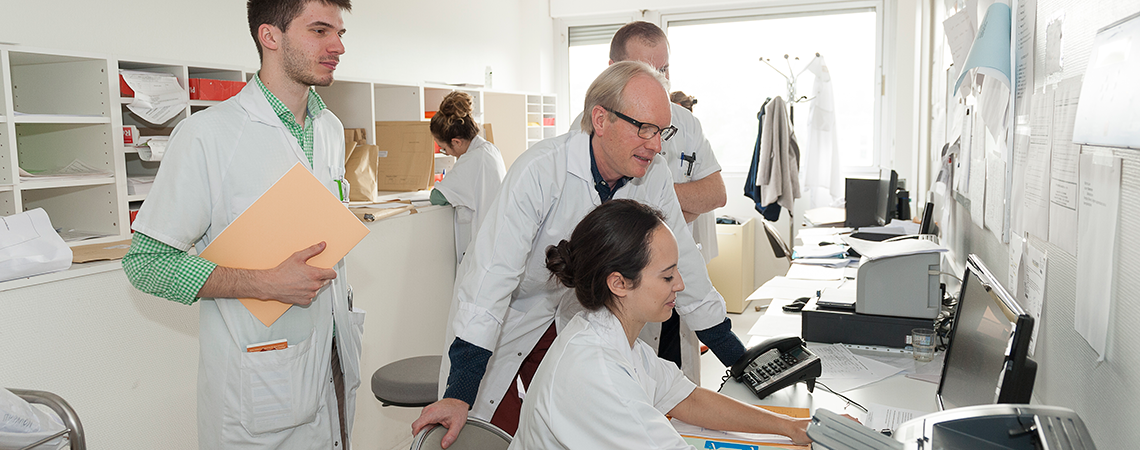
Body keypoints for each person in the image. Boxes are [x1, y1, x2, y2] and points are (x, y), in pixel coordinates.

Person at [412, 60, 746, 447]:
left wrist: (737, 359)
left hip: (576, 325)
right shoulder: (540, 171)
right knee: (492, 431)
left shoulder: (651, 176)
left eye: (661, 131)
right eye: (644, 129)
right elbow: (490, 280)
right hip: (508, 324)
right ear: (600, 120)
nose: (656, 145)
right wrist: (460, 389)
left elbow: (682, 261)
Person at [121, 0, 362, 448]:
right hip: (259, 382)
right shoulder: (206, 136)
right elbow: (146, 263)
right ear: (270, 37)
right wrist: (265, 283)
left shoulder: (329, 127)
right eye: (320, 31)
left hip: (331, 361)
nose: (337, 46)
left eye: (340, 33)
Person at [510, 199, 811, 448]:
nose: (679, 284)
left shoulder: (611, 337)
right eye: (667, 276)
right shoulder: (597, 373)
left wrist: (791, 427)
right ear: (619, 283)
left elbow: (688, 399)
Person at [571, 20, 727, 383]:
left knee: (669, 385)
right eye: (646, 70)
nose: (660, 81)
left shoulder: (683, 126)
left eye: (665, 69)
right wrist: (659, 212)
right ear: (616, 71)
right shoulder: (581, 147)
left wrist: (654, 209)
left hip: (671, 278)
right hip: (618, 293)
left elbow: (715, 196)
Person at [428, 91, 507, 264]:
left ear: (456, 142)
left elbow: (437, 196)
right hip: (495, 245)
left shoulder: (472, 160)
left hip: (481, 250)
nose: (446, 152)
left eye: (444, 148)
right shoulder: (490, 150)